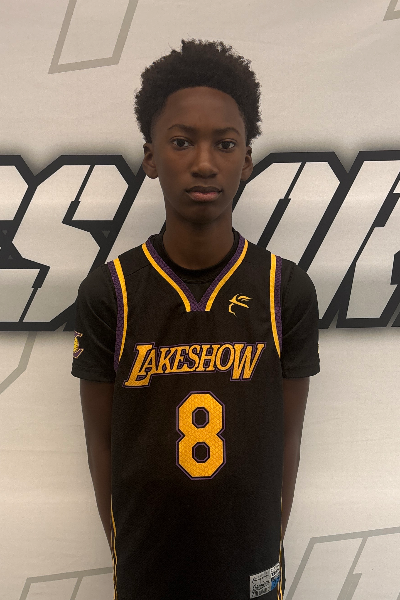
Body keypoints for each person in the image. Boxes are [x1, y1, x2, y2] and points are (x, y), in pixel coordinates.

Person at [71, 38, 320, 600]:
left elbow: (287, 438)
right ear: (151, 157)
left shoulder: (285, 290)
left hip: (250, 565)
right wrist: (124, 548)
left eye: (225, 144)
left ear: (247, 159)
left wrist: (267, 543)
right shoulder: (111, 291)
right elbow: (101, 444)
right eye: (182, 141)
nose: (204, 162)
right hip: (149, 567)